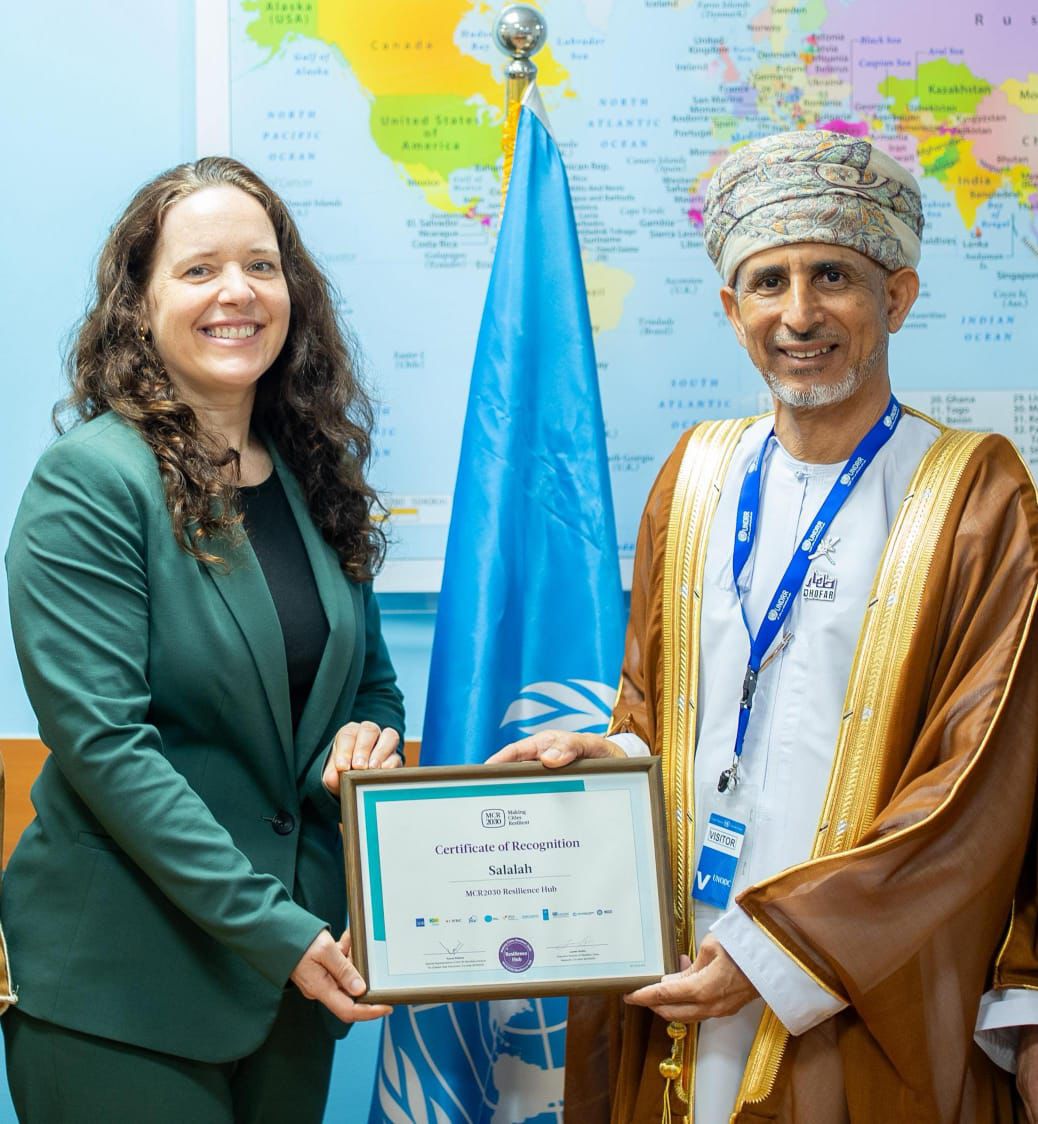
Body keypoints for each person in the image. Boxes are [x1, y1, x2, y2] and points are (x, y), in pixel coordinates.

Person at [490, 131, 1038, 1122]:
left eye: (833, 275)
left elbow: (977, 779)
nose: (799, 313)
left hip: (858, 983)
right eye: (768, 281)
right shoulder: (696, 473)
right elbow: (655, 704)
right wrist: (613, 755)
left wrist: (782, 947)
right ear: (730, 307)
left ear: (897, 296)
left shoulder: (975, 493)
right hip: (679, 952)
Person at [3, 156, 404, 1122]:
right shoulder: (90, 482)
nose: (238, 292)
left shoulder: (314, 475)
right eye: (198, 270)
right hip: (124, 991)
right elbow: (107, 747)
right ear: (138, 307)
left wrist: (363, 741)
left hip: (290, 984)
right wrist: (275, 929)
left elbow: (370, 689)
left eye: (261, 266)